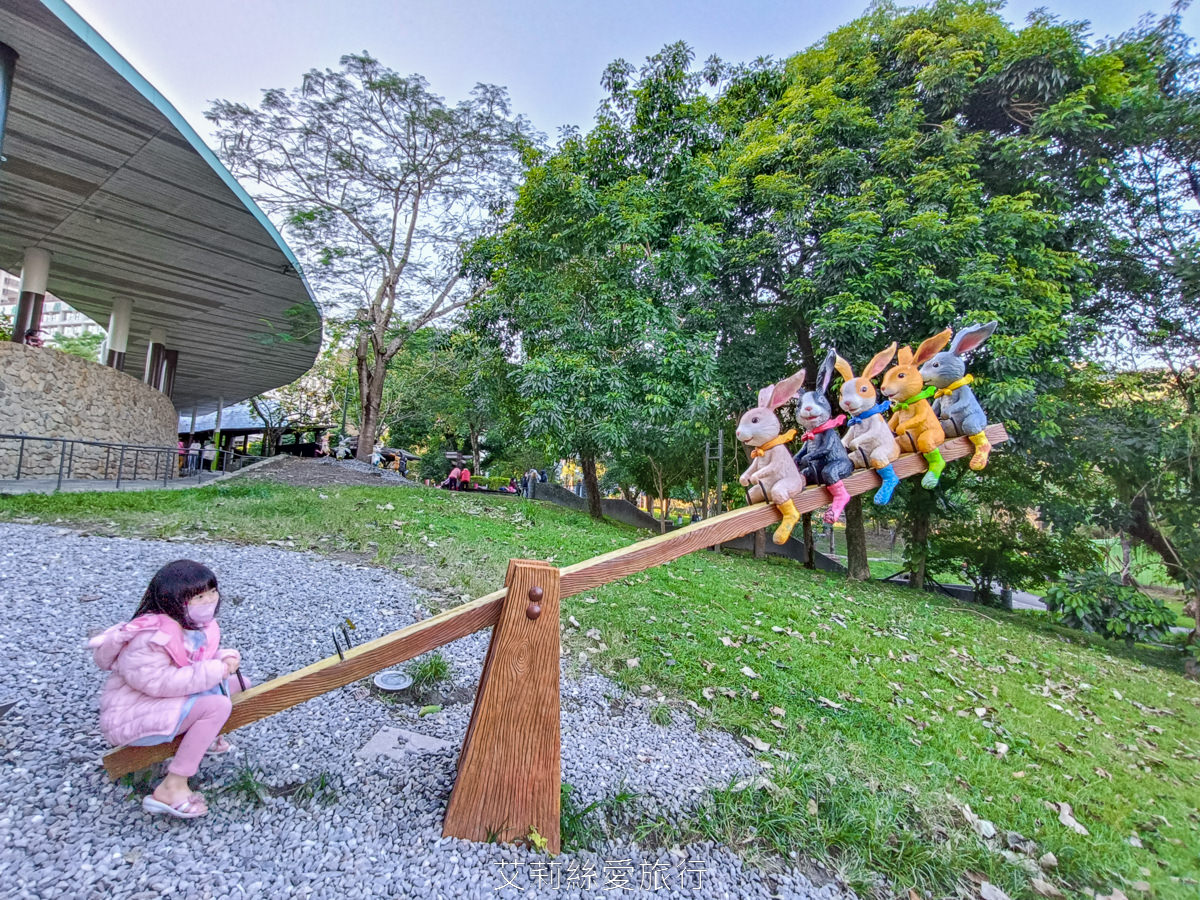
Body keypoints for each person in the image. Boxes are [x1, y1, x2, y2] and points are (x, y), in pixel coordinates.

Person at [88, 560, 246, 819]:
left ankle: (201, 738)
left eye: (212, 592)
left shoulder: (192, 625)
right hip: (135, 715)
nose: (209, 600)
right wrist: (213, 670)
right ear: (172, 600)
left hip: (165, 704)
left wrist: (224, 658)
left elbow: (196, 658)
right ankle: (172, 786)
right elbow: (159, 682)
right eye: (199, 597)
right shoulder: (150, 637)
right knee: (218, 706)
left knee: (240, 685)